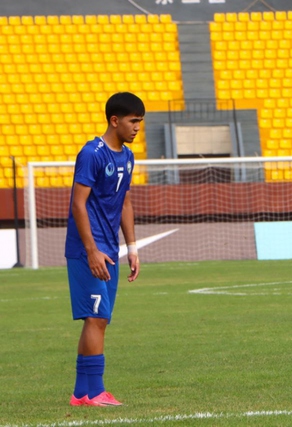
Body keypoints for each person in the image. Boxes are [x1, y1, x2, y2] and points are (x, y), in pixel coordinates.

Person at [66, 92, 145, 406]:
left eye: (140, 122)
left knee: (99, 319)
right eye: (133, 121)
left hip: (110, 248)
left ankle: (80, 393)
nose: (138, 128)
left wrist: (133, 248)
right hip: (89, 250)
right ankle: (95, 392)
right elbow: (78, 204)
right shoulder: (92, 153)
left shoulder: (126, 156)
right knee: (96, 318)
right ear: (115, 120)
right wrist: (91, 250)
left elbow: (125, 201)